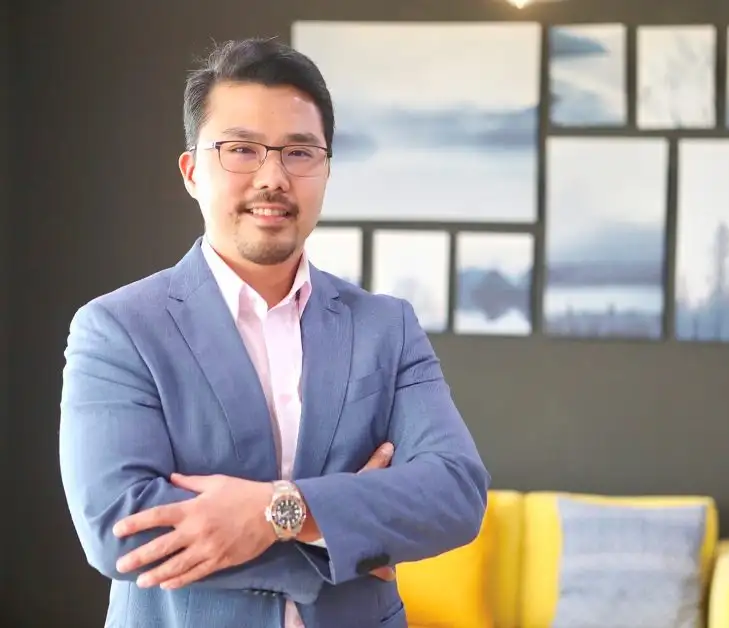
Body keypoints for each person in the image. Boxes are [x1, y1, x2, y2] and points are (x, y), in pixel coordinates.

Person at [58, 36, 490, 628]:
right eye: (241, 149)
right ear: (192, 171)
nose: (273, 177)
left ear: (326, 170)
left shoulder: (386, 326)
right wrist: (343, 536)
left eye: (299, 152)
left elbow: (455, 494)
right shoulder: (118, 328)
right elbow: (121, 530)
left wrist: (276, 510)